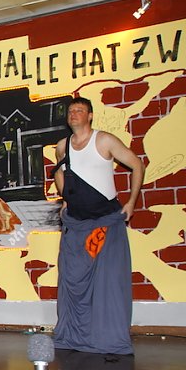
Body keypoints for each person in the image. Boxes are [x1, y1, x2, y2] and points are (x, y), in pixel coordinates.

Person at [52, 96, 144, 355]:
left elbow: (137, 164)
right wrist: (66, 199)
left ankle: (107, 337)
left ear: (90, 115)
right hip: (77, 224)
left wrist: (132, 202)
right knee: (71, 279)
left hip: (105, 221)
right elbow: (60, 173)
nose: (74, 114)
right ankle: (74, 335)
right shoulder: (62, 146)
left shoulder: (104, 140)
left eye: (80, 110)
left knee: (108, 282)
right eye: (71, 111)